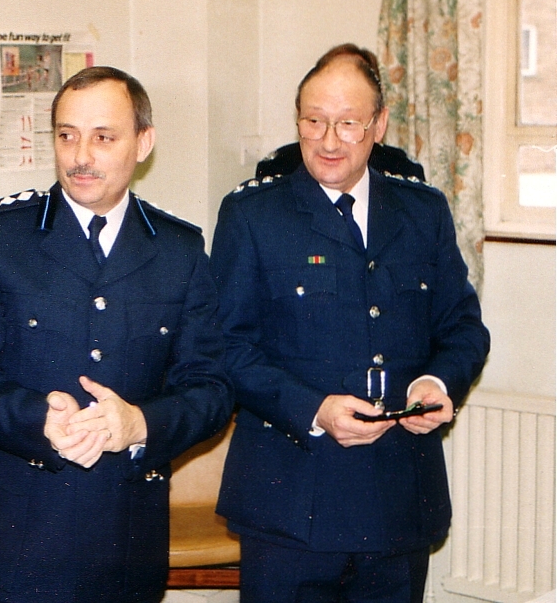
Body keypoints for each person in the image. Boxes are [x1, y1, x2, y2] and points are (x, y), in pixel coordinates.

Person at [208, 43, 490, 603]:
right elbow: (224, 348)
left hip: (397, 499)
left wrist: (437, 383)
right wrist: (312, 408)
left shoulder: (421, 211)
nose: (329, 140)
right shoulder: (252, 215)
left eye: (347, 123)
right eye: (313, 122)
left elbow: (462, 327)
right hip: (289, 499)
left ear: (379, 125)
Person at [0, 66, 234, 603]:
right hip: (11, 540)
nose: (82, 155)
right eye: (67, 135)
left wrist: (141, 422)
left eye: (104, 137)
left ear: (143, 143)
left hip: (123, 543)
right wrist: (37, 417)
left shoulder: (179, 251)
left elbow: (211, 389)